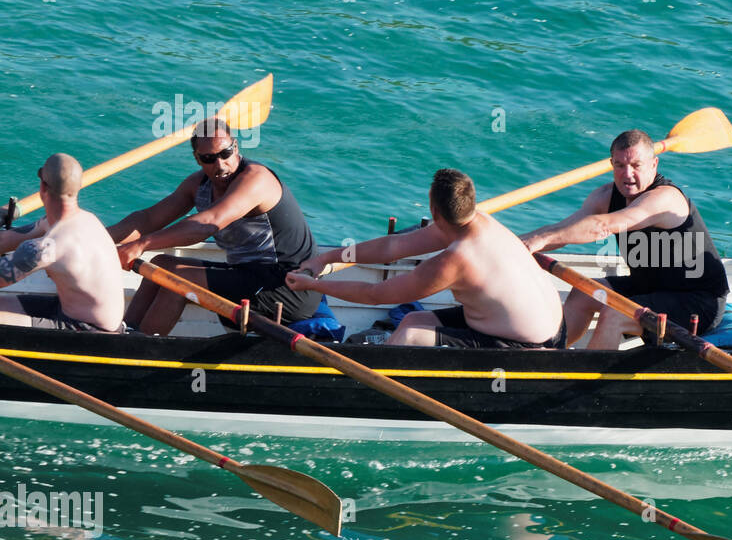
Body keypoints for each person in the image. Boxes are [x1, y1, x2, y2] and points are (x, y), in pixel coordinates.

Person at [286, 168, 564, 348]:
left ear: (434, 210)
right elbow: (392, 247)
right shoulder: (480, 221)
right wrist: (328, 258)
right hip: (554, 326)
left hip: (526, 346)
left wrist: (314, 285)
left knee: (410, 335)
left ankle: (367, 392)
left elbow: (375, 295)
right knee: (409, 320)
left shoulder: (457, 260)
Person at [521, 129, 731, 348]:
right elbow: (562, 230)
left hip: (697, 302)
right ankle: (551, 358)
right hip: (648, 287)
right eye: (620, 165)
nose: (627, 174)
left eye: (636, 165)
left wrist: (540, 239)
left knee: (614, 313)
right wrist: (519, 243)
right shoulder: (604, 196)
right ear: (612, 164)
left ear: (654, 164)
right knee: (584, 292)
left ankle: (584, 378)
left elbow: (603, 226)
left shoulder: (665, 199)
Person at [108, 118, 318, 335]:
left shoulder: (257, 179)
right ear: (197, 159)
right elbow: (149, 219)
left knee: (181, 280)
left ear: (235, 147)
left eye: (225, 153)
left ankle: (141, 347)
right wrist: (99, 238)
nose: (220, 164)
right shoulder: (197, 185)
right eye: (209, 158)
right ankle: (124, 334)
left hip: (288, 285)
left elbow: (206, 225)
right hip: (248, 273)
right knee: (160, 264)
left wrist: (141, 244)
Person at [0, 154, 125, 332]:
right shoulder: (86, 220)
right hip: (70, 311)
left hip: (90, 333)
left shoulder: (49, 248)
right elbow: (5, 240)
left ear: (43, 187)